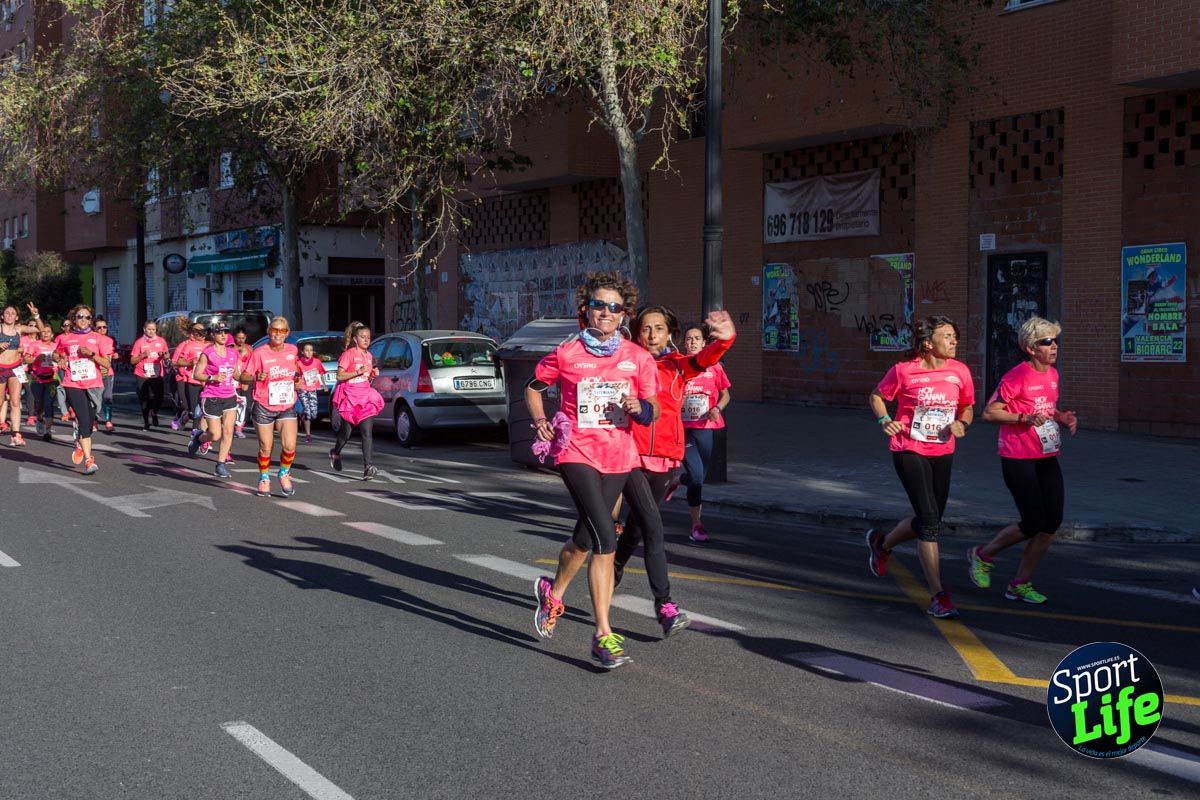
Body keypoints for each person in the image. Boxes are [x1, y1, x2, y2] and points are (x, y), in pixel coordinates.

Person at [528, 271, 659, 669]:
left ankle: (553, 592)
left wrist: (639, 409)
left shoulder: (638, 358)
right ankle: (603, 634)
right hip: (575, 450)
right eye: (599, 305)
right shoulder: (567, 353)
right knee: (606, 536)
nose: (606, 312)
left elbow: (651, 410)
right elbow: (533, 387)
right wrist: (540, 420)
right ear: (586, 310)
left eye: (614, 307)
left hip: (618, 455)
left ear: (624, 314)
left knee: (585, 538)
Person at [611, 305, 737, 637]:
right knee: (654, 528)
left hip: (665, 458)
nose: (652, 335)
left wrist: (727, 339)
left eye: (659, 328)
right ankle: (665, 606)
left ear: (670, 334)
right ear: (636, 332)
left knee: (637, 528)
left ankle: (614, 568)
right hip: (631, 456)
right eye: (645, 329)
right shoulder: (626, 364)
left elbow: (707, 359)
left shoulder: (678, 367)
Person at [865, 315, 975, 619]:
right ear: (928, 343)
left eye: (955, 335)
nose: (954, 341)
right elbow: (876, 396)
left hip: (943, 450)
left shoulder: (960, 372)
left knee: (932, 519)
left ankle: (882, 544)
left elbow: (967, 405)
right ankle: (939, 595)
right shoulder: (903, 371)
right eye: (947, 336)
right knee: (929, 522)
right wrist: (885, 420)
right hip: (908, 447)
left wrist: (962, 423)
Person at [968, 318, 1077, 604]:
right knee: (1033, 521)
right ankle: (983, 554)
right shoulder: (1016, 377)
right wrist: (1023, 418)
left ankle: (1020, 583)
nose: (1054, 346)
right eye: (1046, 342)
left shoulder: (1052, 374)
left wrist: (1061, 416)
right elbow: (989, 413)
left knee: (1051, 522)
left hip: (1046, 455)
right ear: (1031, 348)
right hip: (1018, 457)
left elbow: (1045, 408)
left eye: (1055, 340)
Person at [678, 321, 733, 543]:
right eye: (689, 339)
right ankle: (696, 525)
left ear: (703, 343)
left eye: (696, 339)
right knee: (698, 476)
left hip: (706, 427)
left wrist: (716, 409)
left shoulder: (715, 367)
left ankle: (677, 480)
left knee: (699, 476)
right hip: (683, 429)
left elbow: (726, 395)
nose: (692, 342)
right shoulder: (679, 365)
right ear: (684, 342)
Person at [240, 316, 301, 497]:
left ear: (287, 333)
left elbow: (295, 371)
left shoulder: (292, 350)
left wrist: (297, 380)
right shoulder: (259, 353)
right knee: (266, 447)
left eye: (282, 331)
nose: (278, 334)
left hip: (286, 404)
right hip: (264, 405)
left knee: (289, 446)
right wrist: (255, 378)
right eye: (274, 330)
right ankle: (264, 477)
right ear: (269, 332)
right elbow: (243, 377)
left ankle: (283, 473)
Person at [54, 305, 112, 474]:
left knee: (90, 422)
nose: (83, 320)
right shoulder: (65, 338)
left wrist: (92, 355)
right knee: (84, 420)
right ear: (74, 319)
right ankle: (89, 460)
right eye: (80, 317)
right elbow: (56, 354)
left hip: (94, 385)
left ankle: (80, 441)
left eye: (87, 317)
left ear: (91, 320)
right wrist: (61, 360)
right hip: (73, 383)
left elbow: (107, 364)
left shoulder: (99, 338)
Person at [328, 322, 384, 480]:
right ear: (355, 338)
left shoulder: (369, 355)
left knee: (367, 432)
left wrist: (372, 374)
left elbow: (366, 377)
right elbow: (339, 376)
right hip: (350, 398)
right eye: (362, 337)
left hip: (366, 396)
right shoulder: (349, 354)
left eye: (368, 337)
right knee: (346, 434)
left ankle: (368, 467)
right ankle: (335, 452)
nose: (366, 340)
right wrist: (358, 371)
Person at [190, 323, 241, 478]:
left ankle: (220, 465)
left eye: (226, 332)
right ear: (213, 335)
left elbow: (237, 374)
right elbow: (197, 374)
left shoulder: (233, 353)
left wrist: (251, 377)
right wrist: (213, 377)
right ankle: (199, 437)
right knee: (215, 434)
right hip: (211, 396)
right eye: (219, 332)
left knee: (228, 431)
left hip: (229, 396)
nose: (223, 335)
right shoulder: (208, 353)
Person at [0, 303, 46, 446]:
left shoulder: (19, 328)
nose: (9, 315)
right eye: (7, 313)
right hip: (0, 367)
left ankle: (16, 434)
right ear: (2, 316)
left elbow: (41, 329)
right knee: (0, 401)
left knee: (15, 401)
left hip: (16, 368)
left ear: (17, 317)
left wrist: (36, 315)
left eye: (12, 313)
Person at [130, 319, 169, 430]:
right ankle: (146, 422)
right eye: (149, 329)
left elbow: (167, 355)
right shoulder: (139, 342)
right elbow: (132, 361)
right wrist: (142, 355)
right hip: (142, 373)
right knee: (144, 398)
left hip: (156, 373)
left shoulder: (161, 341)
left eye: (153, 329)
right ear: (144, 329)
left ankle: (154, 411)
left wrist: (164, 355)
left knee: (160, 397)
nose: (151, 332)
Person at [171, 322, 208, 432]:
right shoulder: (186, 345)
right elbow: (175, 362)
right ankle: (183, 418)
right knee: (190, 408)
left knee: (201, 409)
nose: (197, 334)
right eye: (195, 331)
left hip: (204, 381)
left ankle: (195, 431)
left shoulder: (209, 345)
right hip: (185, 378)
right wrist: (190, 363)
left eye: (201, 331)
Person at [23, 326, 58, 441]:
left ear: (52, 334)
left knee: (49, 404)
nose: (46, 334)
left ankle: (48, 431)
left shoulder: (56, 346)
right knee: (39, 404)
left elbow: (63, 357)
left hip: (52, 380)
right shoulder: (35, 345)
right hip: (37, 379)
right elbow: (26, 359)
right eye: (43, 332)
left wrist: (59, 359)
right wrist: (37, 358)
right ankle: (39, 418)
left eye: (48, 332)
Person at [296, 341, 327, 444]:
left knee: (313, 413)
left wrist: (324, 385)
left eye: (311, 350)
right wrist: (297, 382)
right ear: (302, 352)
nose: (309, 352)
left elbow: (320, 374)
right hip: (302, 389)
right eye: (306, 350)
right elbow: (296, 375)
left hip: (313, 388)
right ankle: (308, 435)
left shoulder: (317, 362)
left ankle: (303, 416)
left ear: (313, 351)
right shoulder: (299, 363)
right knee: (308, 411)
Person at [92, 316, 117, 432]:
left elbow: (111, 353)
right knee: (95, 399)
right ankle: (94, 421)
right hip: (95, 373)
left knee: (108, 397)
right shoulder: (91, 339)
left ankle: (108, 421)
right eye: (99, 327)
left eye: (104, 327)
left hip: (107, 372)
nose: (102, 329)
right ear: (94, 329)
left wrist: (116, 355)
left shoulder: (110, 340)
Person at [233, 328, 253, 439]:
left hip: (246, 380)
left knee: (246, 405)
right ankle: (230, 426)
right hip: (234, 380)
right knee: (234, 405)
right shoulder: (230, 348)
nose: (241, 340)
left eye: (243, 338)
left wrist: (247, 380)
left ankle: (239, 428)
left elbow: (253, 363)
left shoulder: (249, 348)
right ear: (234, 337)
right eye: (238, 338)